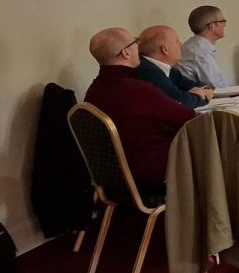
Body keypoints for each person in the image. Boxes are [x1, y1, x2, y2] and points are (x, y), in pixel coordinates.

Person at [83, 27, 195, 189]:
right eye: (135, 42)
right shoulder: (138, 89)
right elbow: (187, 117)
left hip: (112, 179)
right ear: (125, 53)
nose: (139, 47)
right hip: (152, 174)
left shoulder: (94, 90)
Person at [135, 25, 214, 109]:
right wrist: (204, 97)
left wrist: (199, 92)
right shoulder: (149, 71)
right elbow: (180, 102)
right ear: (165, 49)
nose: (181, 44)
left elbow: (192, 86)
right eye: (177, 41)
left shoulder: (166, 68)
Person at [177, 5, 230, 88]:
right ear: (212, 26)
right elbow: (216, 88)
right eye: (223, 21)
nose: (225, 25)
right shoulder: (201, 51)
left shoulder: (194, 44)